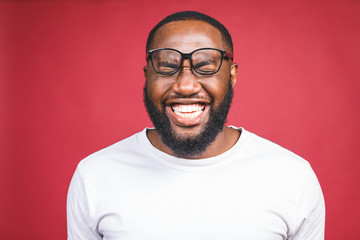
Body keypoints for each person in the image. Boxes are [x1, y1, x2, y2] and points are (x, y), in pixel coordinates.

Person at [67, 11, 325, 240]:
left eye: (205, 66)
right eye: (167, 66)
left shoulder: (293, 178)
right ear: (147, 77)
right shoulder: (95, 175)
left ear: (232, 76)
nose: (186, 85)